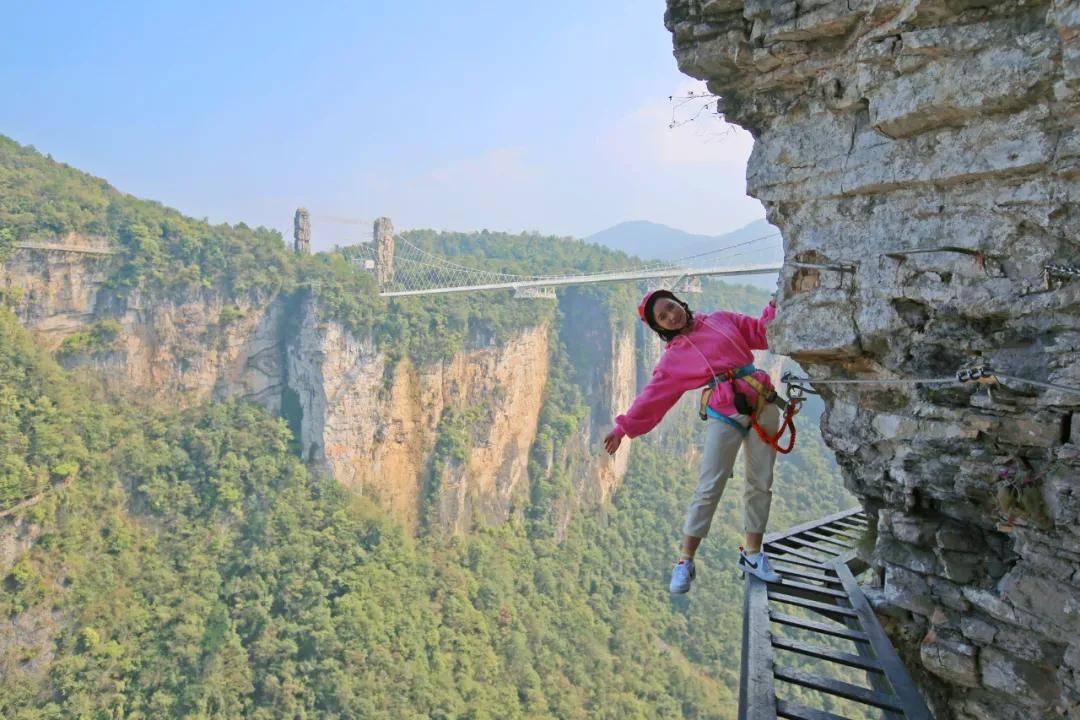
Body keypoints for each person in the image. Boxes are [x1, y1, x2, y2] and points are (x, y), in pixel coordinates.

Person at [603, 289, 783, 594]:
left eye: (671, 307)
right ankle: (685, 560)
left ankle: (754, 554)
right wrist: (623, 428)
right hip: (725, 411)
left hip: (762, 401)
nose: (671, 316)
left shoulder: (721, 320)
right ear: (660, 327)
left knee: (760, 481)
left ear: (680, 303)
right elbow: (654, 397)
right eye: (663, 317)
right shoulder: (674, 358)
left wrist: (773, 307)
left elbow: (760, 334)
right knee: (710, 483)